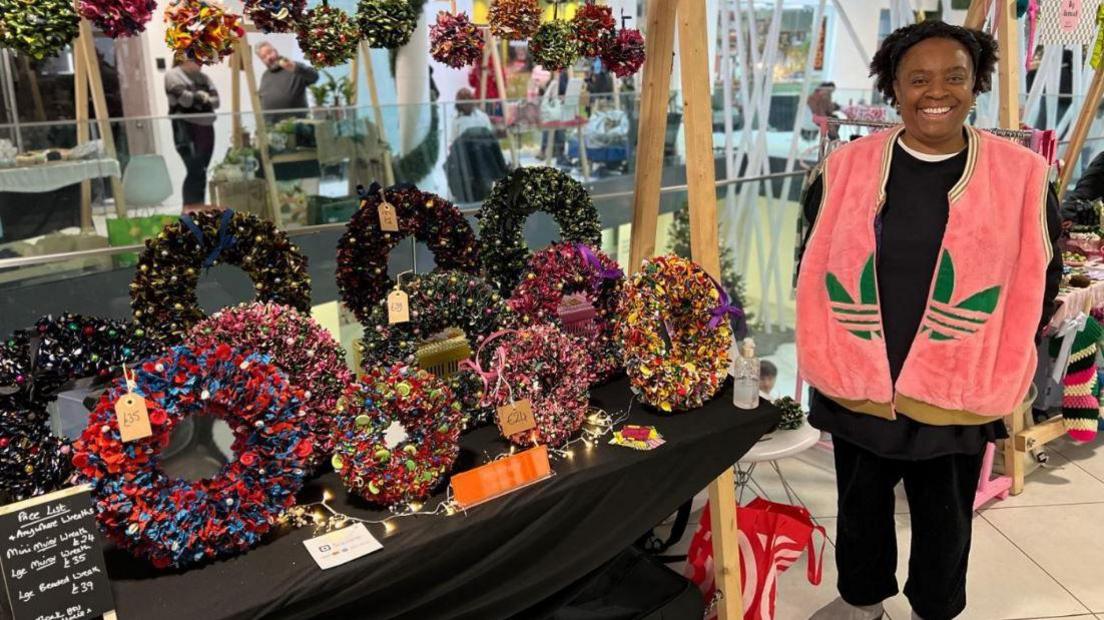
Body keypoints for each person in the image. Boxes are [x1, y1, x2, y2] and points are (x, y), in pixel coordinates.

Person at [796, 21, 1061, 620]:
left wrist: (1000, 352)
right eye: (918, 78)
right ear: (894, 86)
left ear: (976, 85)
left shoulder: (1020, 177)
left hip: (958, 385)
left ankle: (933, 610)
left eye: (954, 77)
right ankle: (862, 601)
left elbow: (1041, 277)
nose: (935, 91)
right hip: (860, 378)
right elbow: (813, 264)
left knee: (945, 517)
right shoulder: (847, 168)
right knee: (859, 504)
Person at [165, 58, 219, 206]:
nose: (201, 61)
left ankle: (198, 209)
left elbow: (216, 101)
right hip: (185, 128)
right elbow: (185, 100)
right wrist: (201, 97)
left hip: (206, 127)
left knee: (201, 171)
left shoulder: (204, 78)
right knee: (195, 170)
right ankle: (191, 211)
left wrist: (199, 98)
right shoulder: (173, 75)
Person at [256, 42, 319, 120]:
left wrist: (296, 68)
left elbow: (314, 77)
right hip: (271, 126)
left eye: (269, 52)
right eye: (263, 57)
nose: (268, 57)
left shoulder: (294, 67)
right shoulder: (265, 75)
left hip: (296, 125)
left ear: (275, 51)